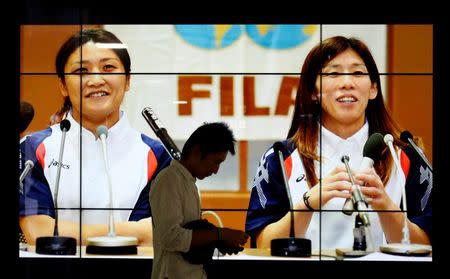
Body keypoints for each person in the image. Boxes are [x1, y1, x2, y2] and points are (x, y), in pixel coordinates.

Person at [245, 36, 432, 251]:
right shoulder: (280, 157)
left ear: (373, 88)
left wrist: (386, 207)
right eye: (333, 73)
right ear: (314, 91)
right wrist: (307, 204)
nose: (347, 83)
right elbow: (262, 245)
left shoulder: (405, 156)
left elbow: (427, 245)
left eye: (358, 73)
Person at [19, 29, 172, 246]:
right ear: (63, 85)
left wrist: (69, 232)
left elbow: (161, 234)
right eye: (81, 70)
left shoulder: (158, 156)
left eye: (108, 67)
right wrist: (129, 231)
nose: (96, 80)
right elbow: (39, 232)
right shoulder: (32, 149)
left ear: (127, 80)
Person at [150, 122, 249, 279]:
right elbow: (171, 237)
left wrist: (218, 241)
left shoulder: (190, 184)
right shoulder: (168, 180)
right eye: (215, 162)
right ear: (197, 152)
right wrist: (219, 234)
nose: (216, 170)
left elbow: (192, 232)